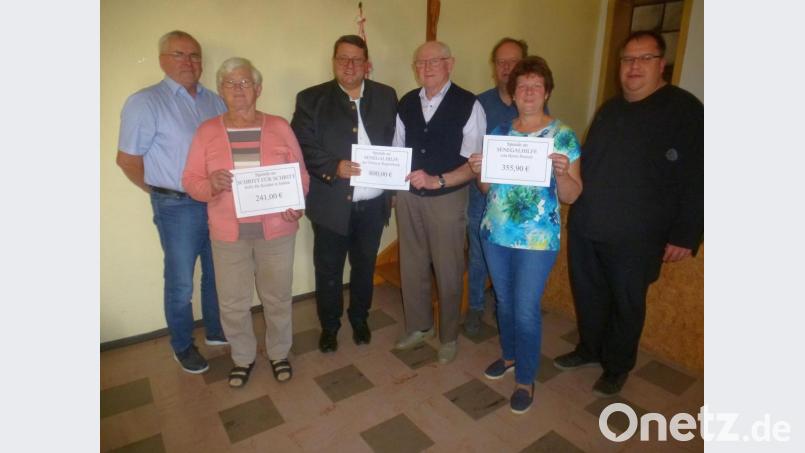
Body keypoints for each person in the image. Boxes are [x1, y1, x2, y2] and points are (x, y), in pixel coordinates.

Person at [554, 30, 704, 397]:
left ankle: (617, 366)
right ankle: (589, 349)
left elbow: (701, 176)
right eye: (627, 59)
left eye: (644, 58)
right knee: (588, 294)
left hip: (637, 235)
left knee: (626, 303)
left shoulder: (686, 110)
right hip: (589, 225)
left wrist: (687, 235)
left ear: (661, 64)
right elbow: (587, 164)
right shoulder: (610, 108)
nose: (633, 67)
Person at [182, 57, 310, 388]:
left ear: (258, 89)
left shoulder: (280, 126)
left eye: (245, 83)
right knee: (233, 301)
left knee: (278, 296)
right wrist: (211, 185)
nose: (238, 90)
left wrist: (296, 204)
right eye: (230, 83)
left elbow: (300, 175)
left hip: (277, 231)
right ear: (220, 90)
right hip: (229, 233)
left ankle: (279, 352)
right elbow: (190, 180)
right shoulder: (207, 131)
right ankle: (242, 357)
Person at [468, 56, 582, 414]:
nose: (529, 92)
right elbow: (488, 189)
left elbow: (571, 195)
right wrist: (479, 170)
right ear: (513, 94)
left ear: (546, 91)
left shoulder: (562, 135)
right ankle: (510, 356)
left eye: (536, 85)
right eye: (522, 86)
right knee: (504, 301)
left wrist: (562, 172)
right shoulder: (500, 133)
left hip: (536, 240)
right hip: (495, 233)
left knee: (526, 309)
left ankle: (525, 378)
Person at [116, 30, 227, 374]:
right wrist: (160, 194)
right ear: (163, 59)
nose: (189, 62)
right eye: (179, 54)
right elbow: (127, 160)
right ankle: (181, 345)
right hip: (176, 207)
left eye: (194, 55)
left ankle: (216, 329)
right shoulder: (145, 102)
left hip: (217, 201)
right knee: (180, 281)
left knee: (217, 271)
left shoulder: (215, 101)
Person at [291, 35, 397, 353]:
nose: (349, 65)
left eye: (356, 59)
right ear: (333, 61)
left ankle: (360, 318)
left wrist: (393, 187)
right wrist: (333, 166)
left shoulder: (387, 95)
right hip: (331, 204)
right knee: (329, 270)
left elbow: (395, 142)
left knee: (365, 266)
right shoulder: (311, 99)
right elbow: (302, 145)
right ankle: (330, 326)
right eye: (342, 58)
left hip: (373, 204)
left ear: (367, 63)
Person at [392, 41, 486, 364]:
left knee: (448, 268)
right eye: (421, 62)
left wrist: (439, 180)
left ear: (451, 63)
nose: (427, 67)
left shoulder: (468, 104)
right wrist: (395, 187)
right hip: (408, 196)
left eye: (435, 61)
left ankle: (448, 336)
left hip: (447, 197)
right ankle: (419, 327)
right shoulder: (405, 102)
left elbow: (475, 163)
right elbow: (397, 150)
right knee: (412, 263)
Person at [465, 37, 528, 337]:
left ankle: (507, 308)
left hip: (519, 202)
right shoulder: (478, 104)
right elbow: (468, 151)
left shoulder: (532, 103)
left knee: (515, 258)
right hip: (482, 199)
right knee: (479, 258)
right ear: (494, 67)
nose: (506, 67)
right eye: (501, 61)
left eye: (513, 61)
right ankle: (475, 308)